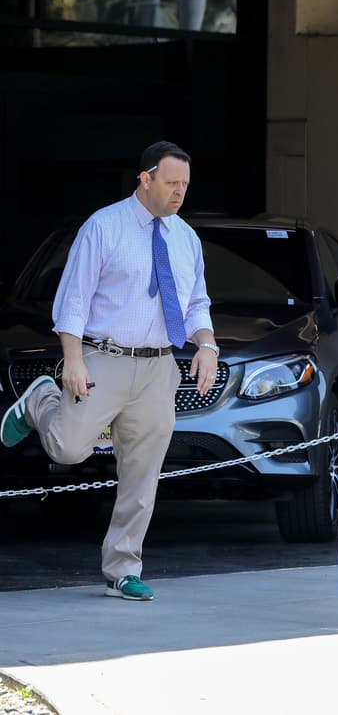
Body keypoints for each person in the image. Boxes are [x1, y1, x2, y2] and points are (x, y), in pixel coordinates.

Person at [1, 141, 218, 602]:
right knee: (67, 448)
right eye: (171, 183)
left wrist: (207, 345)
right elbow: (74, 299)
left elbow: (197, 301)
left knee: (142, 475)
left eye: (185, 185)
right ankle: (41, 400)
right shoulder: (104, 226)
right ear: (146, 178)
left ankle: (123, 568)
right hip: (105, 357)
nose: (180, 193)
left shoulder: (185, 238)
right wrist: (73, 360)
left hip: (159, 367)